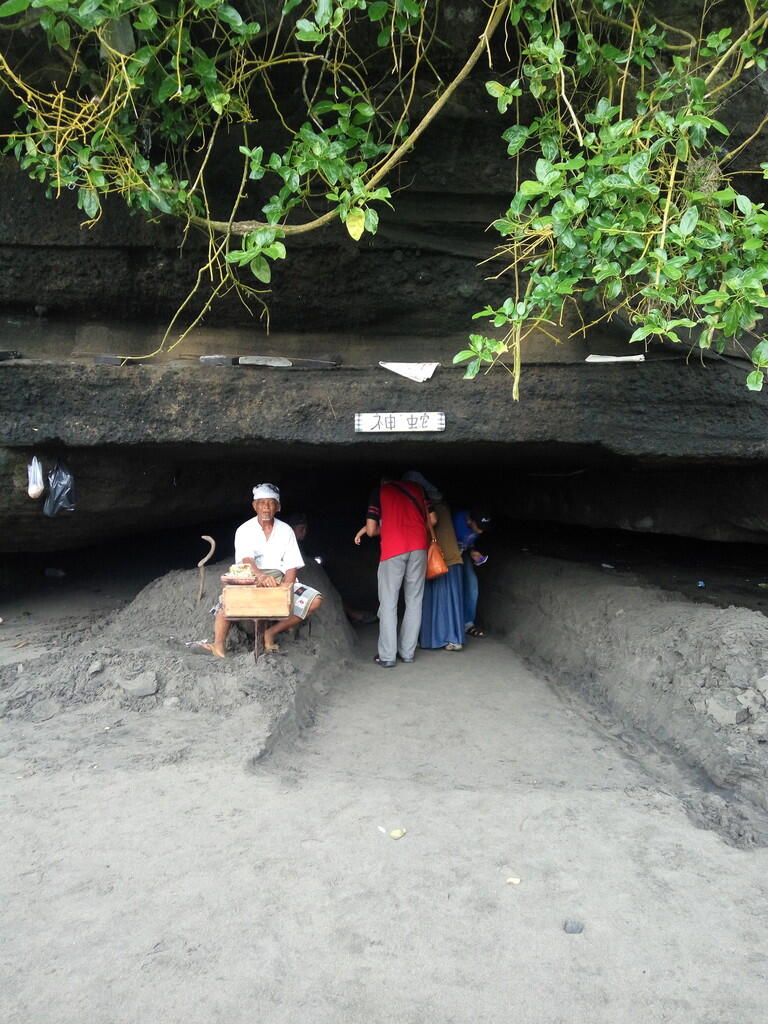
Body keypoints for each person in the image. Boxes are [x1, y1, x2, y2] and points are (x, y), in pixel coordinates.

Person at [203, 484, 323, 657]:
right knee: (226, 604)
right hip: (250, 577)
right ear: (254, 506)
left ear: (278, 506)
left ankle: (270, 633)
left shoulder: (286, 531)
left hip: (279, 580)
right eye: (261, 502)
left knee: (315, 601)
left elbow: (291, 565)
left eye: (271, 503)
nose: (266, 507)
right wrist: (261, 576)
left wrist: (286, 588)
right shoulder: (244, 530)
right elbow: (247, 560)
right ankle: (218, 645)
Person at [355, 475, 435, 667]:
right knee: (415, 601)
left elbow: (372, 529)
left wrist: (391, 529)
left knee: (389, 602)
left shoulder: (379, 492)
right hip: (419, 547)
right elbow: (432, 518)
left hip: (393, 550)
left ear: (383, 480)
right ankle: (408, 653)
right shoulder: (417, 489)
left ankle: (388, 656)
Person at [400, 471, 465, 653]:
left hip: (438, 558)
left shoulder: (428, 505)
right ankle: (449, 638)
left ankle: (436, 638)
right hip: (443, 557)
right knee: (446, 599)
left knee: (432, 598)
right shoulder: (440, 503)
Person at [452, 507, 491, 638]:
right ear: (470, 521)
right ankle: (450, 624)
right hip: (448, 556)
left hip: (463, 554)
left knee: (472, 585)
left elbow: (468, 543)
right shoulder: (457, 521)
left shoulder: (478, 528)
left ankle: (467, 624)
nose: (480, 531)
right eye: (478, 526)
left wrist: (473, 552)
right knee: (451, 587)